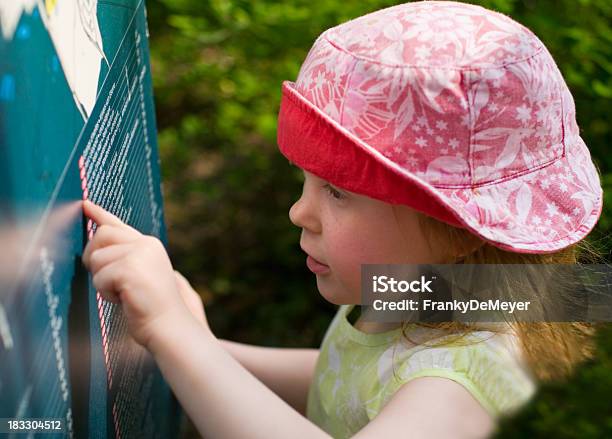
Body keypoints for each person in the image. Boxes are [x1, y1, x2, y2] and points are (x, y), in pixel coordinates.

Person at [81, 2, 604, 438]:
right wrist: (206, 350)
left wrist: (176, 336)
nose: (298, 212)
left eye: (336, 191)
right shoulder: (428, 292)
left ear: (458, 229)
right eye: (305, 181)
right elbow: (345, 380)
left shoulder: (459, 383)